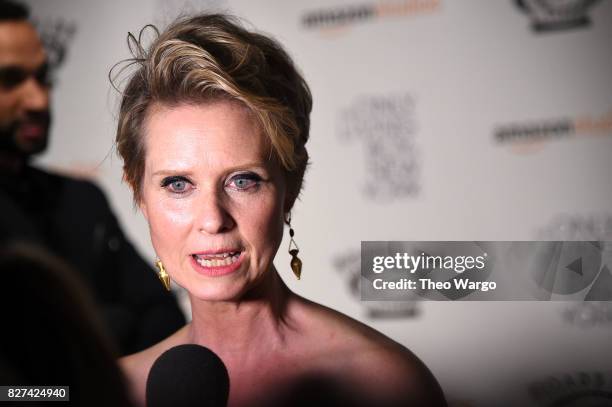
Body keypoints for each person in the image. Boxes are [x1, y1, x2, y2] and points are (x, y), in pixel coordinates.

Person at [116, 13, 447, 407]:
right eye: (178, 184)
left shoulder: (383, 384)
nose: (212, 219)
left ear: (291, 186)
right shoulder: (113, 389)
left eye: (243, 181)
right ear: (139, 193)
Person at [0, 0, 185, 355]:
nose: (38, 100)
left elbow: (163, 318)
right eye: (10, 80)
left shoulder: (81, 199)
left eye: (42, 78)